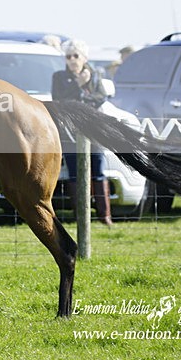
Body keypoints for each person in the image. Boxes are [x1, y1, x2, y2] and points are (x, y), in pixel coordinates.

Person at [51, 39, 113, 225]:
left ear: (84, 58)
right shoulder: (59, 77)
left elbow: (100, 98)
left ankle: (105, 216)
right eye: (68, 56)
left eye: (75, 56)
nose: (72, 60)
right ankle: (81, 216)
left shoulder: (94, 75)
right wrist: (78, 84)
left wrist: (84, 93)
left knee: (98, 172)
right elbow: (60, 100)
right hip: (71, 132)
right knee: (74, 174)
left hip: (94, 131)